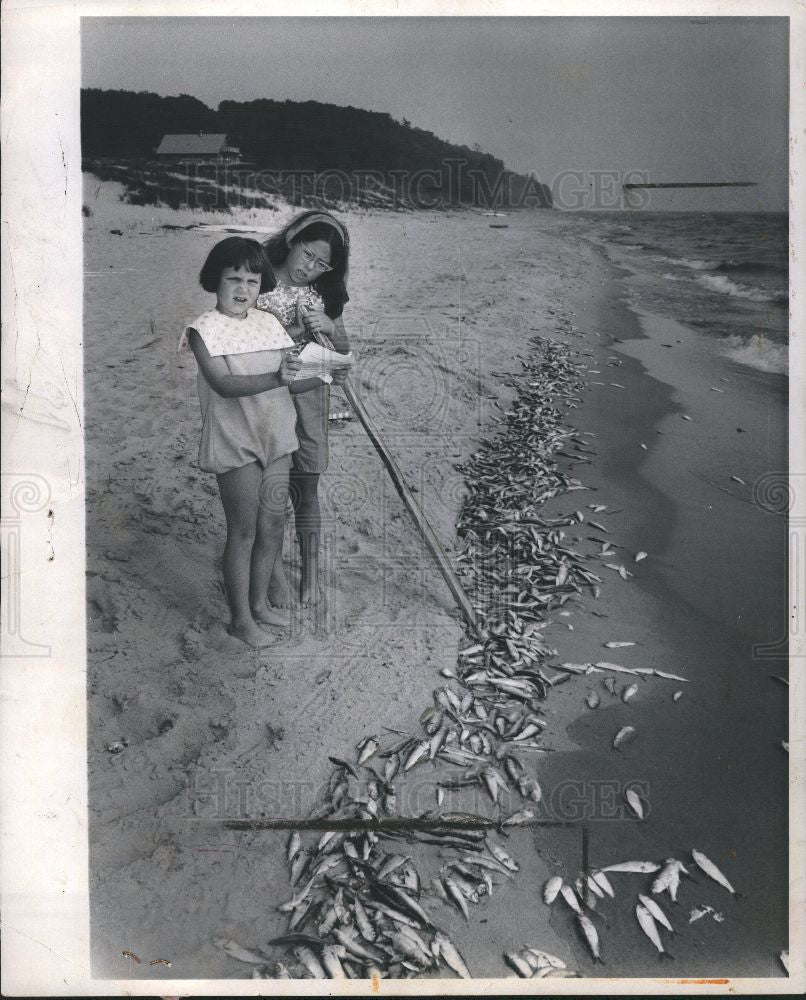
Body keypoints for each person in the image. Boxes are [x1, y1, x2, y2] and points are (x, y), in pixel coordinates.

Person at [179, 237, 326, 648]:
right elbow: (224, 385)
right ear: (215, 280)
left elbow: (289, 381)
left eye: (252, 280)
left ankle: (259, 604)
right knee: (243, 531)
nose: (243, 289)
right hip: (237, 439)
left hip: (277, 434)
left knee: (272, 525)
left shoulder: (268, 323)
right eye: (233, 279)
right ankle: (241, 620)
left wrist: (329, 372)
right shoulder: (202, 330)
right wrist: (278, 378)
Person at [257, 211, 353, 608]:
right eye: (307, 255)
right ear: (292, 240)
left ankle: (310, 571)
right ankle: (273, 571)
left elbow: (342, 349)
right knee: (271, 489)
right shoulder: (257, 273)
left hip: (311, 395)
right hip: (265, 393)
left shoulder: (326, 290)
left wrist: (330, 327)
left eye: (321, 264)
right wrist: (295, 332)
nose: (309, 268)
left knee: (307, 488)